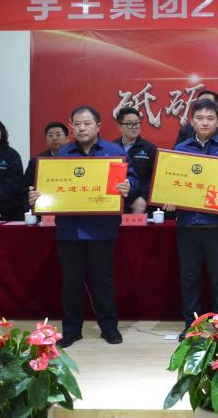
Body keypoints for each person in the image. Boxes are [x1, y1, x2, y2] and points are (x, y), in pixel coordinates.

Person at [28, 105, 137, 348]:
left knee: (103, 281)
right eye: (76, 124)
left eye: (87, 123)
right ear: (71, 127)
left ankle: (109, 328)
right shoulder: (62, 154)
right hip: (70, 230)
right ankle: (71, 330)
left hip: (102, 229)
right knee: (71, 282)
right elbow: (49, 186)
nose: (81, 128)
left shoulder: (113, 152)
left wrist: (129, 185)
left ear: (98, 126)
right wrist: (37, 196)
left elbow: (133, 179)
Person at [164, 99, 218, 341]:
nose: (205, 123)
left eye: (210, 118)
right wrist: (168, 199)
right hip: (188, 224)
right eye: (200, 118)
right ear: (191, 121)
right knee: (190, 277)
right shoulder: (181, 149)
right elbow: (170, 182)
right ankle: (192, 326)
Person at [113, 107, 158, 214]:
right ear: (120, 126)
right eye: (129, 124)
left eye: (137, 123)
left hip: (140, 205)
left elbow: (155, 178)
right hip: (116, 202)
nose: (135, 127)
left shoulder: (149, 148)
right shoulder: (112, 148)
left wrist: (144, 197)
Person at [23, 121, 69, 192]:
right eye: (50, 135)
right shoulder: (35, 161)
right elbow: (25, 186)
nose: (54, 138)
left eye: (58, 135)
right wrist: (30, 192)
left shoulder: (76, 158)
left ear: (66, 138)